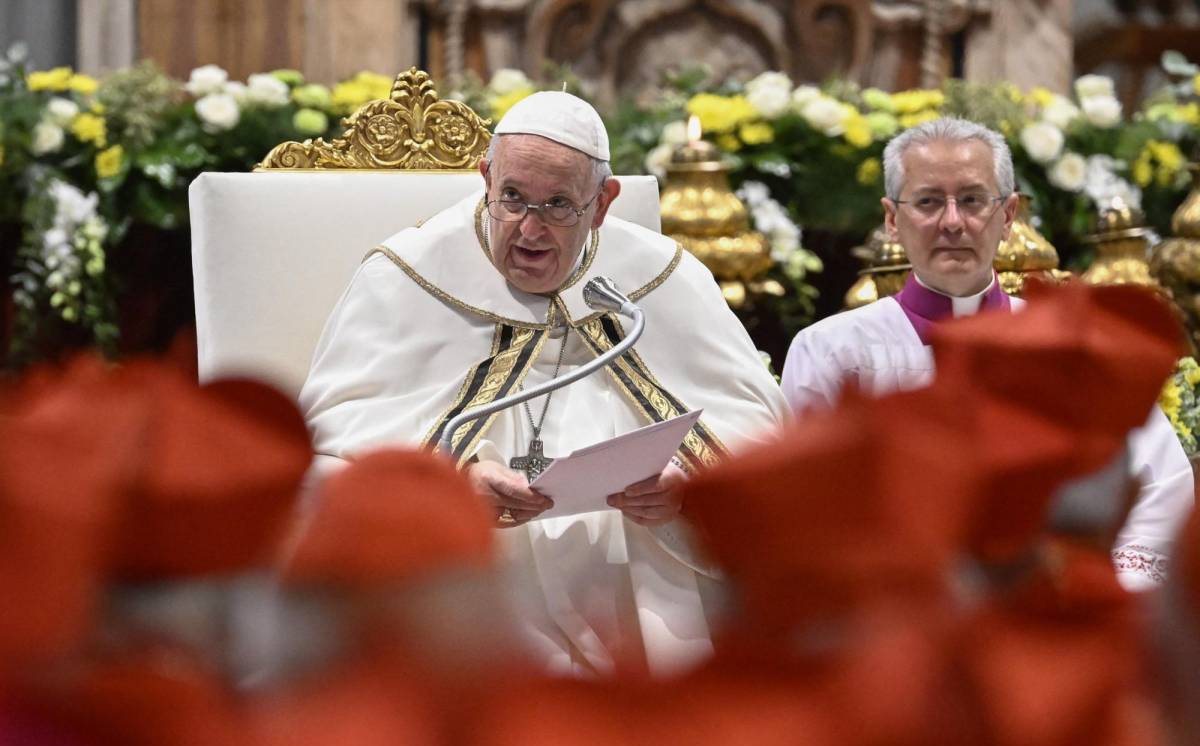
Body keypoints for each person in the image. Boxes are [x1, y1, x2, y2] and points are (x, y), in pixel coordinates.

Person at [299, 91, 788, 676]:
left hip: (642, 558)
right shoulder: (405, 274)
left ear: (602, 204)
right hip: (469, 567)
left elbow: (762, 430)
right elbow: (330, 444)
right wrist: (447, 487)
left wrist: (691, 488)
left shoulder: (662, 276)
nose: (529, 229)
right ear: (485, 177)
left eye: (558, 205)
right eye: (512, 197)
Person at [781, 117, 1193, 591]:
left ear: (1008, 214)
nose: (952, 222)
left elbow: (1162, 493)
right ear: (892, 219)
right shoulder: (829, 351)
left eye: (973, 200)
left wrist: (1090, 590)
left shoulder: (1074, 347)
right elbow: (804, 509)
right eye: (928, 201)